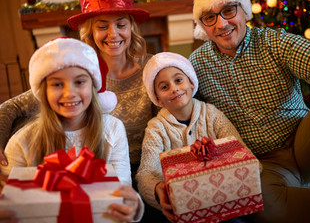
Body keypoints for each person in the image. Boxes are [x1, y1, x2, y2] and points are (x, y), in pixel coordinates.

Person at [188, 0, 310, 223]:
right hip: (263, 165)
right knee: (261, 207)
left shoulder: (274, 42)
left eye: (228, 10)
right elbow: (181, 113)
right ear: (203, 26)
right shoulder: (195, 65)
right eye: (209, 17)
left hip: (305, 142)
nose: (222, 24)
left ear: (244, 11)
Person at [0, 38, 144, 222]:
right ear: (43, 91)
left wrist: (133, 206)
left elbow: (122, 188)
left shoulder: (113, 129)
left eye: (79, 82)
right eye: (57, 84)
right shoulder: (22, 142)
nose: (70, 93)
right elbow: (11, 200)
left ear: (92, 87)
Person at [136, 52, 248, 222]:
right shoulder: (156, 129)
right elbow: (146, 173)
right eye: (164, 87)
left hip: (224, 198)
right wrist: (157, 188)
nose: (174, 88)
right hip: (182, 204)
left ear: (190, 81)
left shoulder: (212, 115)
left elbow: (238, 149)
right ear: (157, 98)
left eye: (179, 80)